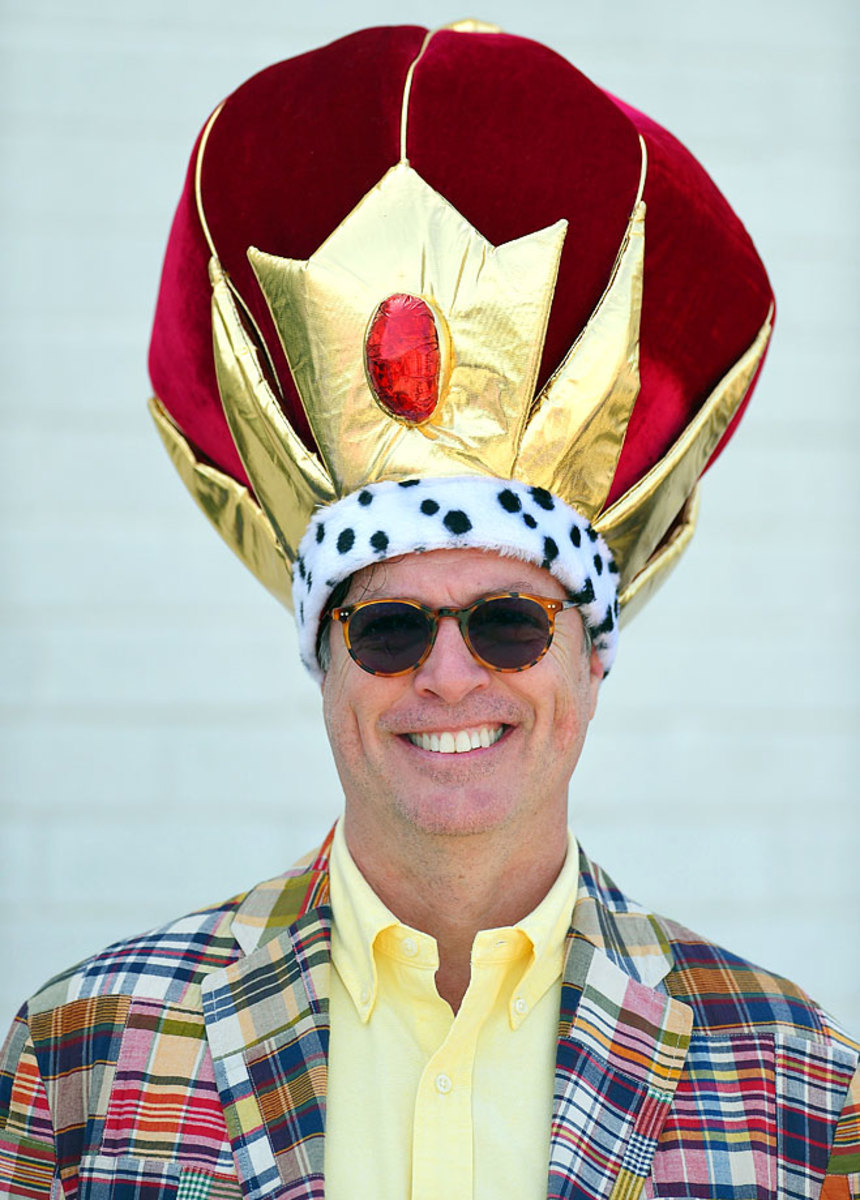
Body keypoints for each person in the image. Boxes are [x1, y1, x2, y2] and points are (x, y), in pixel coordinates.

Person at [1, 21, 857, 1200]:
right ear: (325, 663)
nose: (449, 676)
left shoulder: (794, 1083)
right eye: (389, 626)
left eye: (508, 620)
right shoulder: (85, 1056)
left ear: (591, 659)